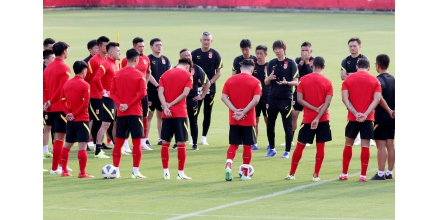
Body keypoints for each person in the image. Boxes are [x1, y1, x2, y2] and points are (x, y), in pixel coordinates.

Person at [284, 56, 333, 181]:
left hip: (308, 119)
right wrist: (319, 114)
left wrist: (313, 110)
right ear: (324, 67)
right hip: (323, 119)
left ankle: (292, 174)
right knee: (320, 147)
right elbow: (327, 103)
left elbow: (299, 99)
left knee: (300, 146)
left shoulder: (303, 80)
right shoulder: (328, 82)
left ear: (312, 65)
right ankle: (316, 175)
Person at [339, 58, 381, 182]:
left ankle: (344, 173)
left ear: (357, 67)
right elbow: (377, 99)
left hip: (353, 117)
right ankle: (363, 175)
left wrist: (355, 113)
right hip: (367, 119)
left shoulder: (348, 79)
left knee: (348, 144)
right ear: (369, 68)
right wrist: (365, 114)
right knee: (365, 146)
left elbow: (345, 99)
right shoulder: (375, 80)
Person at [110, 48, 148, 179]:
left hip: (121, 113)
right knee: (137, 143)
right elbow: (143, 93)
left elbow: (112, 93)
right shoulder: (139, 75)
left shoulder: (117, 74)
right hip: (135, 113)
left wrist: (121, 104)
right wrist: (129, 104)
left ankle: (116, 170)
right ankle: (135, 172)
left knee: (119, 142)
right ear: (136, 59)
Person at [222, 59, 262, 181]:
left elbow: (223, 97)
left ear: (240, 68)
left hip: (234, 118)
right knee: (247, 146)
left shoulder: (230, 80)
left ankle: (228, 164)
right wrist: (244, 112)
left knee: (233, 144)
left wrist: (235, 111)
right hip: (248, 119)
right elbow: (256, 100)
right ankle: (245, 174)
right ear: (252, 69)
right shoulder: (255, 81)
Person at [158, 58, 194, 180]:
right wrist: (172, 104)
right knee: (181, 143)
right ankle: (180, 173)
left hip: (166, 114)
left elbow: (160, 92)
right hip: (180, 113)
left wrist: (165, 106)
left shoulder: (165, 74)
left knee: (165, 143)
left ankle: (165, 173)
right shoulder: (188, 75)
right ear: (188, 66)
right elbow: (185, 94)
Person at [59, 60, 94, 178]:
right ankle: (82, 172)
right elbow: (85, 103)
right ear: (84, 70)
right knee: (82, 146)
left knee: (67, 145)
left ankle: (64, 171)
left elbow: (61, 102)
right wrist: (74, 114)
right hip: (82, 119)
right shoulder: (85, 85)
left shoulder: (67, 84)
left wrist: (68, 113)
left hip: (70, 120)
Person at [264, 40, 298, 158]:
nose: (277, 51)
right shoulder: (271, 63)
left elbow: (296, 82)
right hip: (272, 98)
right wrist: (270, 78)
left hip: (285, 98)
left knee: (287, 126)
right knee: (270, 125)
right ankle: (272, 149)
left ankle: (287, 151)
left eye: (279, 48)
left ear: (284, 49)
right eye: (275, 49)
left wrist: (286, 82)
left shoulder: (291, 63)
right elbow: (266, 82)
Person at [43, 41, 72, 174]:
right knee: (60, 138)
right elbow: (62, 89)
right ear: (64, 52)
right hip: (59, 106)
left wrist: (45, 102)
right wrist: (51, 100)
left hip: (49, 108)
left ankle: (60, 164)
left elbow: (43, 87)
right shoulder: (65, 68)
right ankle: (55, 168)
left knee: (56, 137)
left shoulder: (47, 67)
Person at [340, 37, 374, 146]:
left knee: (366, 110)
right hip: (352, 90)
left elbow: (366, 74)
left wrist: (351, 74)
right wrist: (356, 74)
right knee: (352, 110)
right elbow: (342, 76)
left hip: (364, 89)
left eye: (354, 46)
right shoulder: (345, 60)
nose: (352, 48)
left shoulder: (364, 59)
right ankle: (357, 137)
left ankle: (368, 136)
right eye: (350, 46)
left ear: (359, 46)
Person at [174, 48, 210, 150]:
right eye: (185, 55)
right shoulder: (176, 69)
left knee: (193, 121)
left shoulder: (197, 69)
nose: (188, 57)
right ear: (180, 58)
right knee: (178, 121)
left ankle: (194, 143)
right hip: (179, 100)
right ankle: (178, 142)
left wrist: (202, 95)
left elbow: (207, 82)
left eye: (189, 55)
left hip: (192, 99)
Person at [120, 37, 152, 151]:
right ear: (134, 46)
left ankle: (143, 141)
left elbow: (148, 72)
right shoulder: (125, 60)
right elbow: (121, 75)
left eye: (143, 46)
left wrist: (146, 83)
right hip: (130, 93)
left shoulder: (146, 59)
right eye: (140, 46)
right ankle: (125, 142)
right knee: (130, 116)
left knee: (144, 115)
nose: (142, 48)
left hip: (142, 92)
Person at [191, 31, 223, 145]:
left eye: (208, 40)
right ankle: (192, 137)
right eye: (204, 39)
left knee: (207, 113)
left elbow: (219, 72)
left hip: (211, 89)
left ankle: (204, 137)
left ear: (211, 41)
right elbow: (190, 70)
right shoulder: (194, 54)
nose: (206, 42)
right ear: (201, 40)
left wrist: (209, 82)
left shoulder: (215, 54)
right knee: (194, 112)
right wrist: (200, 81)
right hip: (196, 89)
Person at [92, 42, 120, 158]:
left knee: (112, 124)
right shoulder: (106, 63)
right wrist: (103, 91)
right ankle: (98, 150)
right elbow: (96, 79)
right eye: (118, 51)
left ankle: (117, 145)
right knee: (105, 124)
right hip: (107, 99)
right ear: (111, 52)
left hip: (114, 98)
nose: (120, 53)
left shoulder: (116, 64)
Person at [370, 54, 395, 180]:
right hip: (393, 117)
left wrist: (389, 110)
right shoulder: (394, 79)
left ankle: (380, 173)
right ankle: (389, 172)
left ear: (378, 66)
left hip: (381, 116)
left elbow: (378, 98)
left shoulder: (378, 80)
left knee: (380, 144)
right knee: (390, 144)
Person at [85, 36, 112, 153]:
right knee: (95, 120)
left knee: (102, 120)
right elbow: (88, 78)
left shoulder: (107, 59)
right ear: (100, 47)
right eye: (105, 46)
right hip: (95, 95)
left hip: (105, 96)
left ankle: (99, 144)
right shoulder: (93, 61)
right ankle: (93, 145)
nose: (107, 48)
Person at [288, 41, 314, 147]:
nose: (304, 52)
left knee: (309, 116)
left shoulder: (314, 61)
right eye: (302, 50)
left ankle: (307, 139)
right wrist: (302, 62)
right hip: (298, 91)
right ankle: (290, 139)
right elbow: (294, 73)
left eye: (306, 50)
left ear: (310, 51)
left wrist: (307, 62)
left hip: (311, 93)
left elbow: (312, 75)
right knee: (294, 115)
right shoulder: (297, 61)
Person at [146, 38, 171, 146]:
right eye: (156, 45)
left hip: (162, 92)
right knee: (149, 115)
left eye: (160, 45)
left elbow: (168, 74)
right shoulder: (148, 59)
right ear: (151, 46)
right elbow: (148, 74)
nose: (159, 47)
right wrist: (157, 84)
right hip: (151, 91)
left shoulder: (165, 59)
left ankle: (161, 138)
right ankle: (145, 138)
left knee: (161, 115)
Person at [250, 45, 269, 150]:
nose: (258, 56)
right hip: (255, 97)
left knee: (268, 120)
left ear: (266, 54)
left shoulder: (270, 66)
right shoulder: (253, 67)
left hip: (267, 97)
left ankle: (270, 142)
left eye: (261, 53)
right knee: (255, 120)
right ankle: (254, 142)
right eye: (257, 53)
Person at [43, 49, 56, 159]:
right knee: (46, 127)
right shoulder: (43, 70)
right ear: (46, 60)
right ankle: (44, 150)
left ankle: (48, 150)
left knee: (49, 127)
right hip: (45, 104)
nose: (54, 60)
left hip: (50, 103)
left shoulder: (51, 70)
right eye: (52, 58)